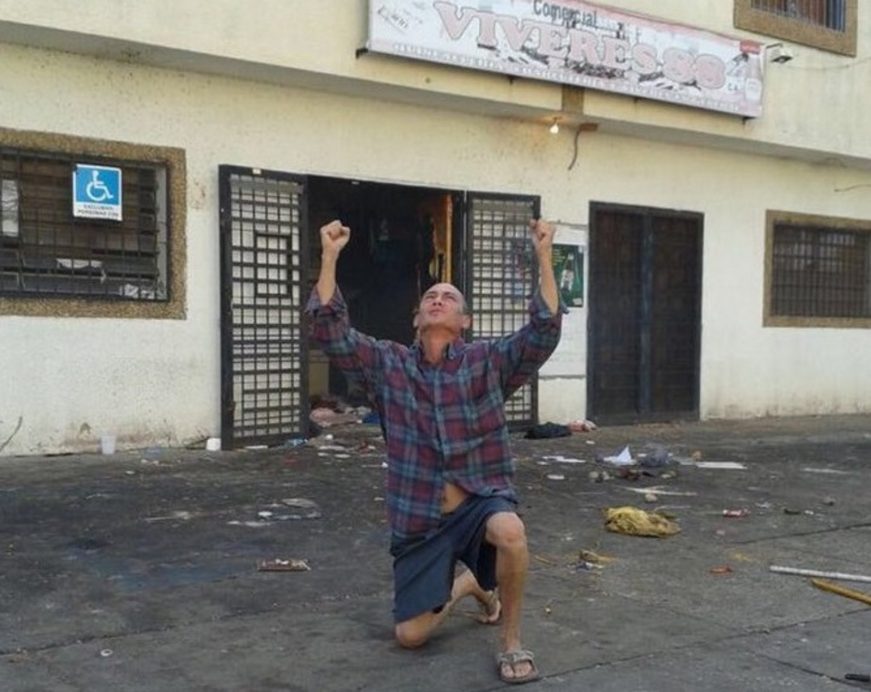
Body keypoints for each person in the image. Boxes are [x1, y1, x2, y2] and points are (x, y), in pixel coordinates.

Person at [306, 217, 563, 685]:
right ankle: (469, 586)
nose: (437, 299)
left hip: (478, 501)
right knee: (409, 635)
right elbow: (330, 332)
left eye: (449, 298)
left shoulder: (488, 362)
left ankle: (511, 641)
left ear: (464, 321)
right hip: (422, 522)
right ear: (417, 319)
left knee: (510, 530)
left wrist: (544, 255)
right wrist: (329, 256)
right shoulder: (388, 366)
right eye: (430, 297)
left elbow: (543, 333)